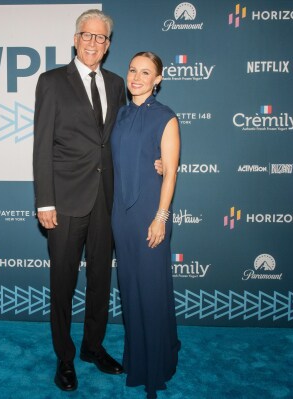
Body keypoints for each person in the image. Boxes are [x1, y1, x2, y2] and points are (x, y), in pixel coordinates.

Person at [33, 9, 126, 392]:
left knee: (101, 281)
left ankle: (92, 347)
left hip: (107, 201)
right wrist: (45, 202)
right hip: (66, 200)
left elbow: (121, 139)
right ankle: (65, 357)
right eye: (87, 35)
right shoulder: (52, 81)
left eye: (101, 37)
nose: (93, 42)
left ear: (108, 45)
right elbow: (42, 145)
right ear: (75, 39)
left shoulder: (118, 83)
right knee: (62, 282)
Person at [110, 52, 181, 399]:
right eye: (133, 70)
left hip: (150, 214)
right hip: (120, 216)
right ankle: (136, 359)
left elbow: (170, 171)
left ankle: (156, 367)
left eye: (146, 73)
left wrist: (160, 217)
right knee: (130, 290)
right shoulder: (119, 115)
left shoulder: (166, 118)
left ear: (158, 80)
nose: (137, 77)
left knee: (151, 292)